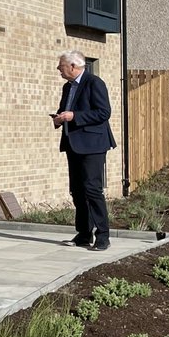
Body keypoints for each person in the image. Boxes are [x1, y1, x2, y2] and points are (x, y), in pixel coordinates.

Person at [52, 50, 116, 250]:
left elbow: (103, 112)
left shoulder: (94, 83)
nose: (58, 69)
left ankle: (103, 236)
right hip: (73, 144)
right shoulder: (67, 87)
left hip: (93, 145)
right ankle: (83, 234)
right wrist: (59, 118)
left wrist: (74, 116)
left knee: (92, 189)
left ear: (73, 66)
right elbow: (65, 110)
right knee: (77, 191)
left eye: (61, 66)